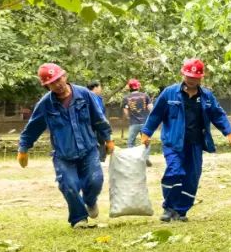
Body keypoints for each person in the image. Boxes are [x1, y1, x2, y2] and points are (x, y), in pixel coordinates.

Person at [139, 59, 231, 222]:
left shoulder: (206, 96)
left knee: (192, 177)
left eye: (195, 77)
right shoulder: (169, 93)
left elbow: (218, 114)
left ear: (201, 77)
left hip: (195, 143)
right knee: (174, 172)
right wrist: (146, 132)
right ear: (182, 74)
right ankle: (169, 208)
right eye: (189, 76)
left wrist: (229, 132)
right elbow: (156, 114)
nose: (191, 80)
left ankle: (181, 210)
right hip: (173, 143)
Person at [17, 63, 114, 229]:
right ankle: (79, 219)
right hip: (63, 154)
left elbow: (98, 118)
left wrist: (108, 139)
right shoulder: (46, 104)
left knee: (95, 180)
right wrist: (23, 148)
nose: (58, 84)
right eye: (52, 83)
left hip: (89, 149)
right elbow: (33, 127)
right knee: (69, 186)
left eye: (59, 79)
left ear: (65, 76)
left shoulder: (84, 94)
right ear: (46, 86)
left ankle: (90, 201)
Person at [123, 79, 152, 156]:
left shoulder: (126, 98)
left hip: (133, 123)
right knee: (146, 141)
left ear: (129, 87)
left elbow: (126, 111)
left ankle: (132, 158)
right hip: (145, 123)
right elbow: (151, 108)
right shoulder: (145, 95)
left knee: (130, 142)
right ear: (138, 87)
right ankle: (145, 158)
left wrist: (129, 117)